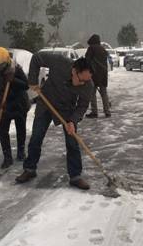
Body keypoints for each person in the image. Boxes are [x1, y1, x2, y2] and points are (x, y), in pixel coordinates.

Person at [15, 54, 94, 190]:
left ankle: (75, 176)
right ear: (74, 71)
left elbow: (82, 106)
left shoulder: (88, 84)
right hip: (46, 103)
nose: (83, 84)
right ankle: (29, 169)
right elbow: (37, 58)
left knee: (72, 141)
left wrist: (73, 121)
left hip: (66, 109)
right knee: (36, 137)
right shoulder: (60, 62)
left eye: (86, 81)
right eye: (81, 80)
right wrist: (33, 80)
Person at [0, 47, 30, 168]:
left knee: (20, 128)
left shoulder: (15, 69)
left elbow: (26, 85)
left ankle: (21, 152)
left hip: (19, 103)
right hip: (4, 105)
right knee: (2, 131)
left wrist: (13, 80)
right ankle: (7, 157)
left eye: (0, 65)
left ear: (6, 62)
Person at [84, 34, 111, 118]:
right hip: (103, 74)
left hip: (94, 74)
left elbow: (87, 60)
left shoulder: (91, 48)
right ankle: (107, 111)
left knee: (92, 93)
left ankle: (94, 112)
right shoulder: (103, 49)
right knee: (104, 93)